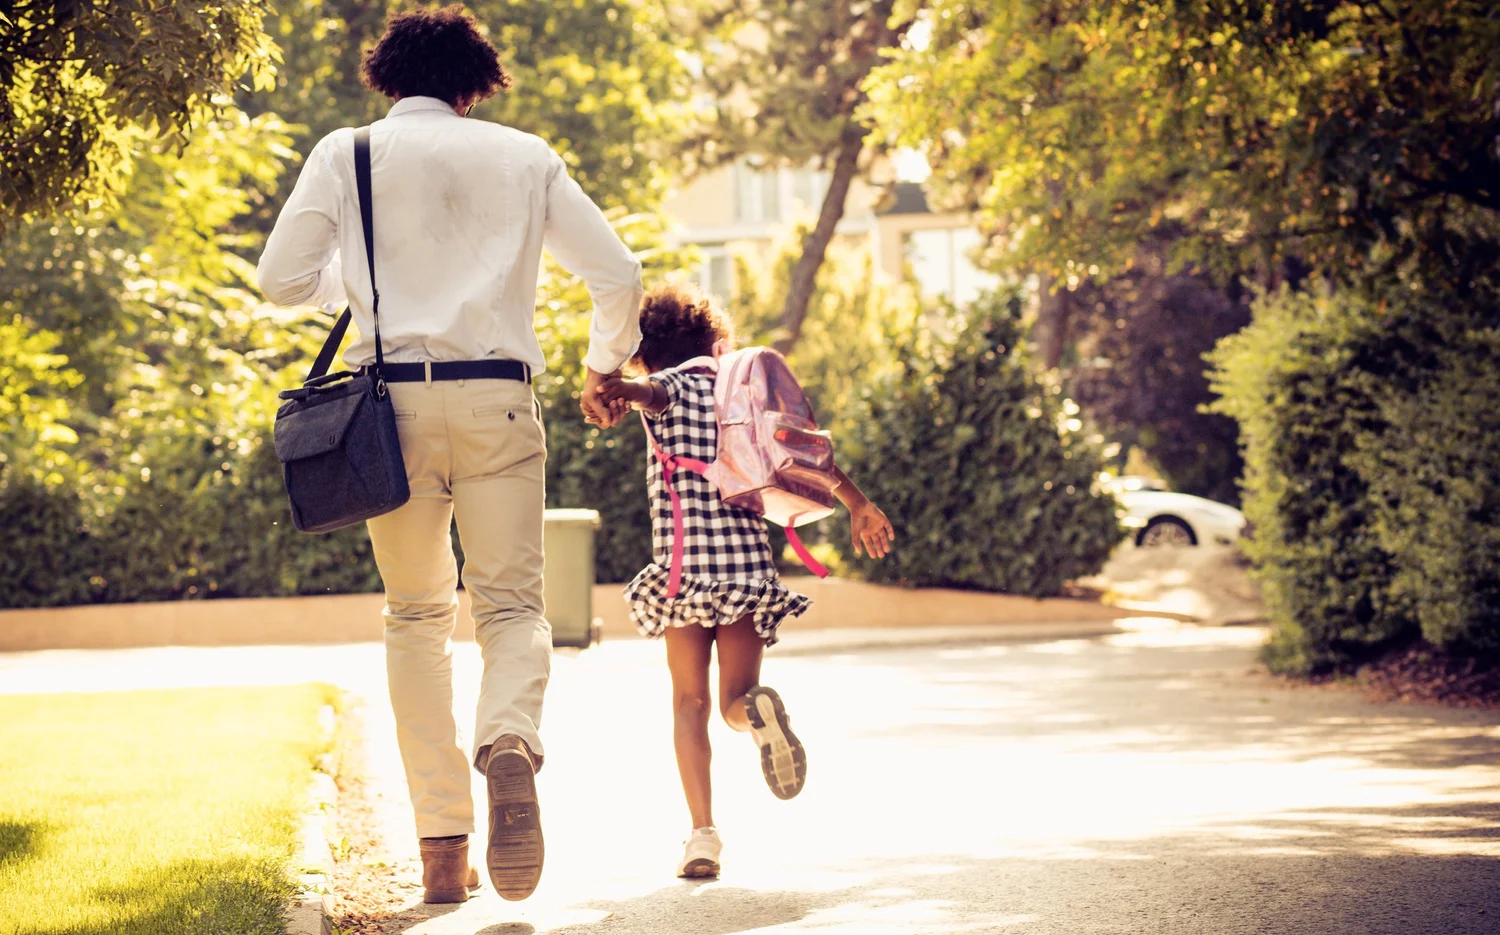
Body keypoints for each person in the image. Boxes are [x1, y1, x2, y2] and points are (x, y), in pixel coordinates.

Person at [255, 5, 642, 903]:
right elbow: (617, 274)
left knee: (417, 617)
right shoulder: (522, 155)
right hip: (499, 398)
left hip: (385, 412)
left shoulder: (343, 153)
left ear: (387, 76)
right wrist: (599, 368)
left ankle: (441, 848)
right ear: (475, 86)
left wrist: (354, 284)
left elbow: (279, 280)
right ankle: (508, 737)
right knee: (513, 607)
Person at [595, 284, 894, 879]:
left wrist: (619, 390)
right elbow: (807, 455)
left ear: (646, 350)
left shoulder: (671, 384)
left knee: (688, 703)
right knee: (735, 698)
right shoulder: (741, 387)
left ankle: (702, 836)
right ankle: (756, 711)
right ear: (712, 336)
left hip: (683, 572)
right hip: (746, 570)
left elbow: (653, 391)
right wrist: (860, 505)